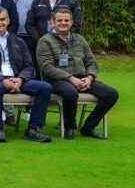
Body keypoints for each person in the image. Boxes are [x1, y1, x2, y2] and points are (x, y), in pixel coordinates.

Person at [0, 7, 53, 142]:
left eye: (2, 19)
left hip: (17, 80)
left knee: (45, 87)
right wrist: (2, 80)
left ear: (8, 21)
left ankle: (33, 130)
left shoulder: (19, 41)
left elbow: (29, 66)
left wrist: (20, 79)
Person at [37, 8, 117, 139]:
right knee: (70, 92)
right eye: (59, 20)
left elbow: (91, 62)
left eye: (66, 20)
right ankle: (70, 127)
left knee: (111, 94)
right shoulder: (45, 41)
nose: (63, 23)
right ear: (53, 22)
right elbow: (46, 67)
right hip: (58, 80)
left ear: (72, 22)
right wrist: (70, 78)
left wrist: (90, 77)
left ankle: (88, 127)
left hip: (83, 78)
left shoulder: (80, 39)